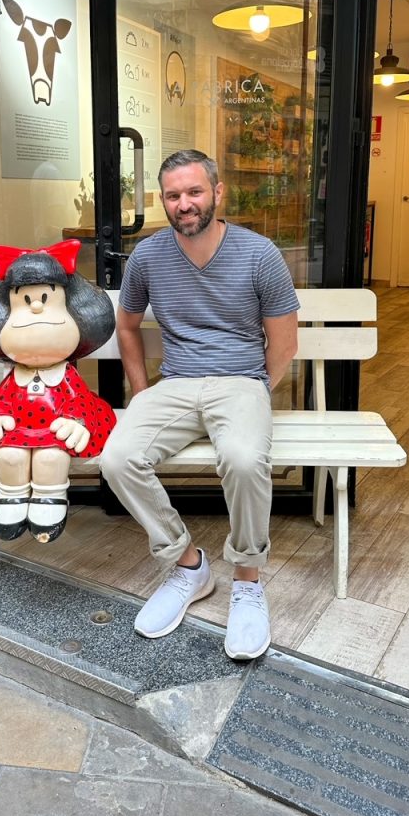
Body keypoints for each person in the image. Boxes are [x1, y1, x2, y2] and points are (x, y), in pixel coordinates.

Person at [100, 149, 299, 660]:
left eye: (194, 192)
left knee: (243, 458)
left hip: (240, 381)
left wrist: (256, 389)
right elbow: (127, 325)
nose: (184, 204)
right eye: (173, 195)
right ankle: (188, 565)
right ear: (163, 201)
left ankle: (248, 582)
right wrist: (143, 392)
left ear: (217, 192)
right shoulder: (148, 255)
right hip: (175, 385)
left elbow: (284, 342)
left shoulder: (259, 254)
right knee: (117, 457)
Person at [0, 241, 116, 543]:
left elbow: (79, 399)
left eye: (45, 299)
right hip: (18, 429)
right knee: (8, 455)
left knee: (51, 458)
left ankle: (49, 496)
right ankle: (12, 495)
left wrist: (76, 421)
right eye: (25, 301)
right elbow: (0, 402)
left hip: (54, 430)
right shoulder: (14, 376)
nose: (35, 308)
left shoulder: (65, 375)